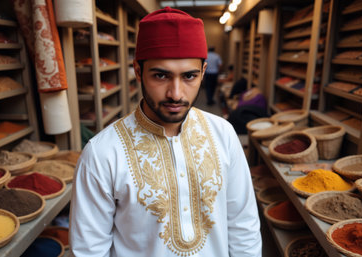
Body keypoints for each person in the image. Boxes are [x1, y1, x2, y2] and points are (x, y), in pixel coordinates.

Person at [69, 7, 262, 257]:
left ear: (203, 73)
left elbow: (243, 225)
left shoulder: (223, 134)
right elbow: (89, 251)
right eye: (161, 75)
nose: (176, 93)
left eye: (189, 76)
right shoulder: (102, 153)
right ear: (138, 72)